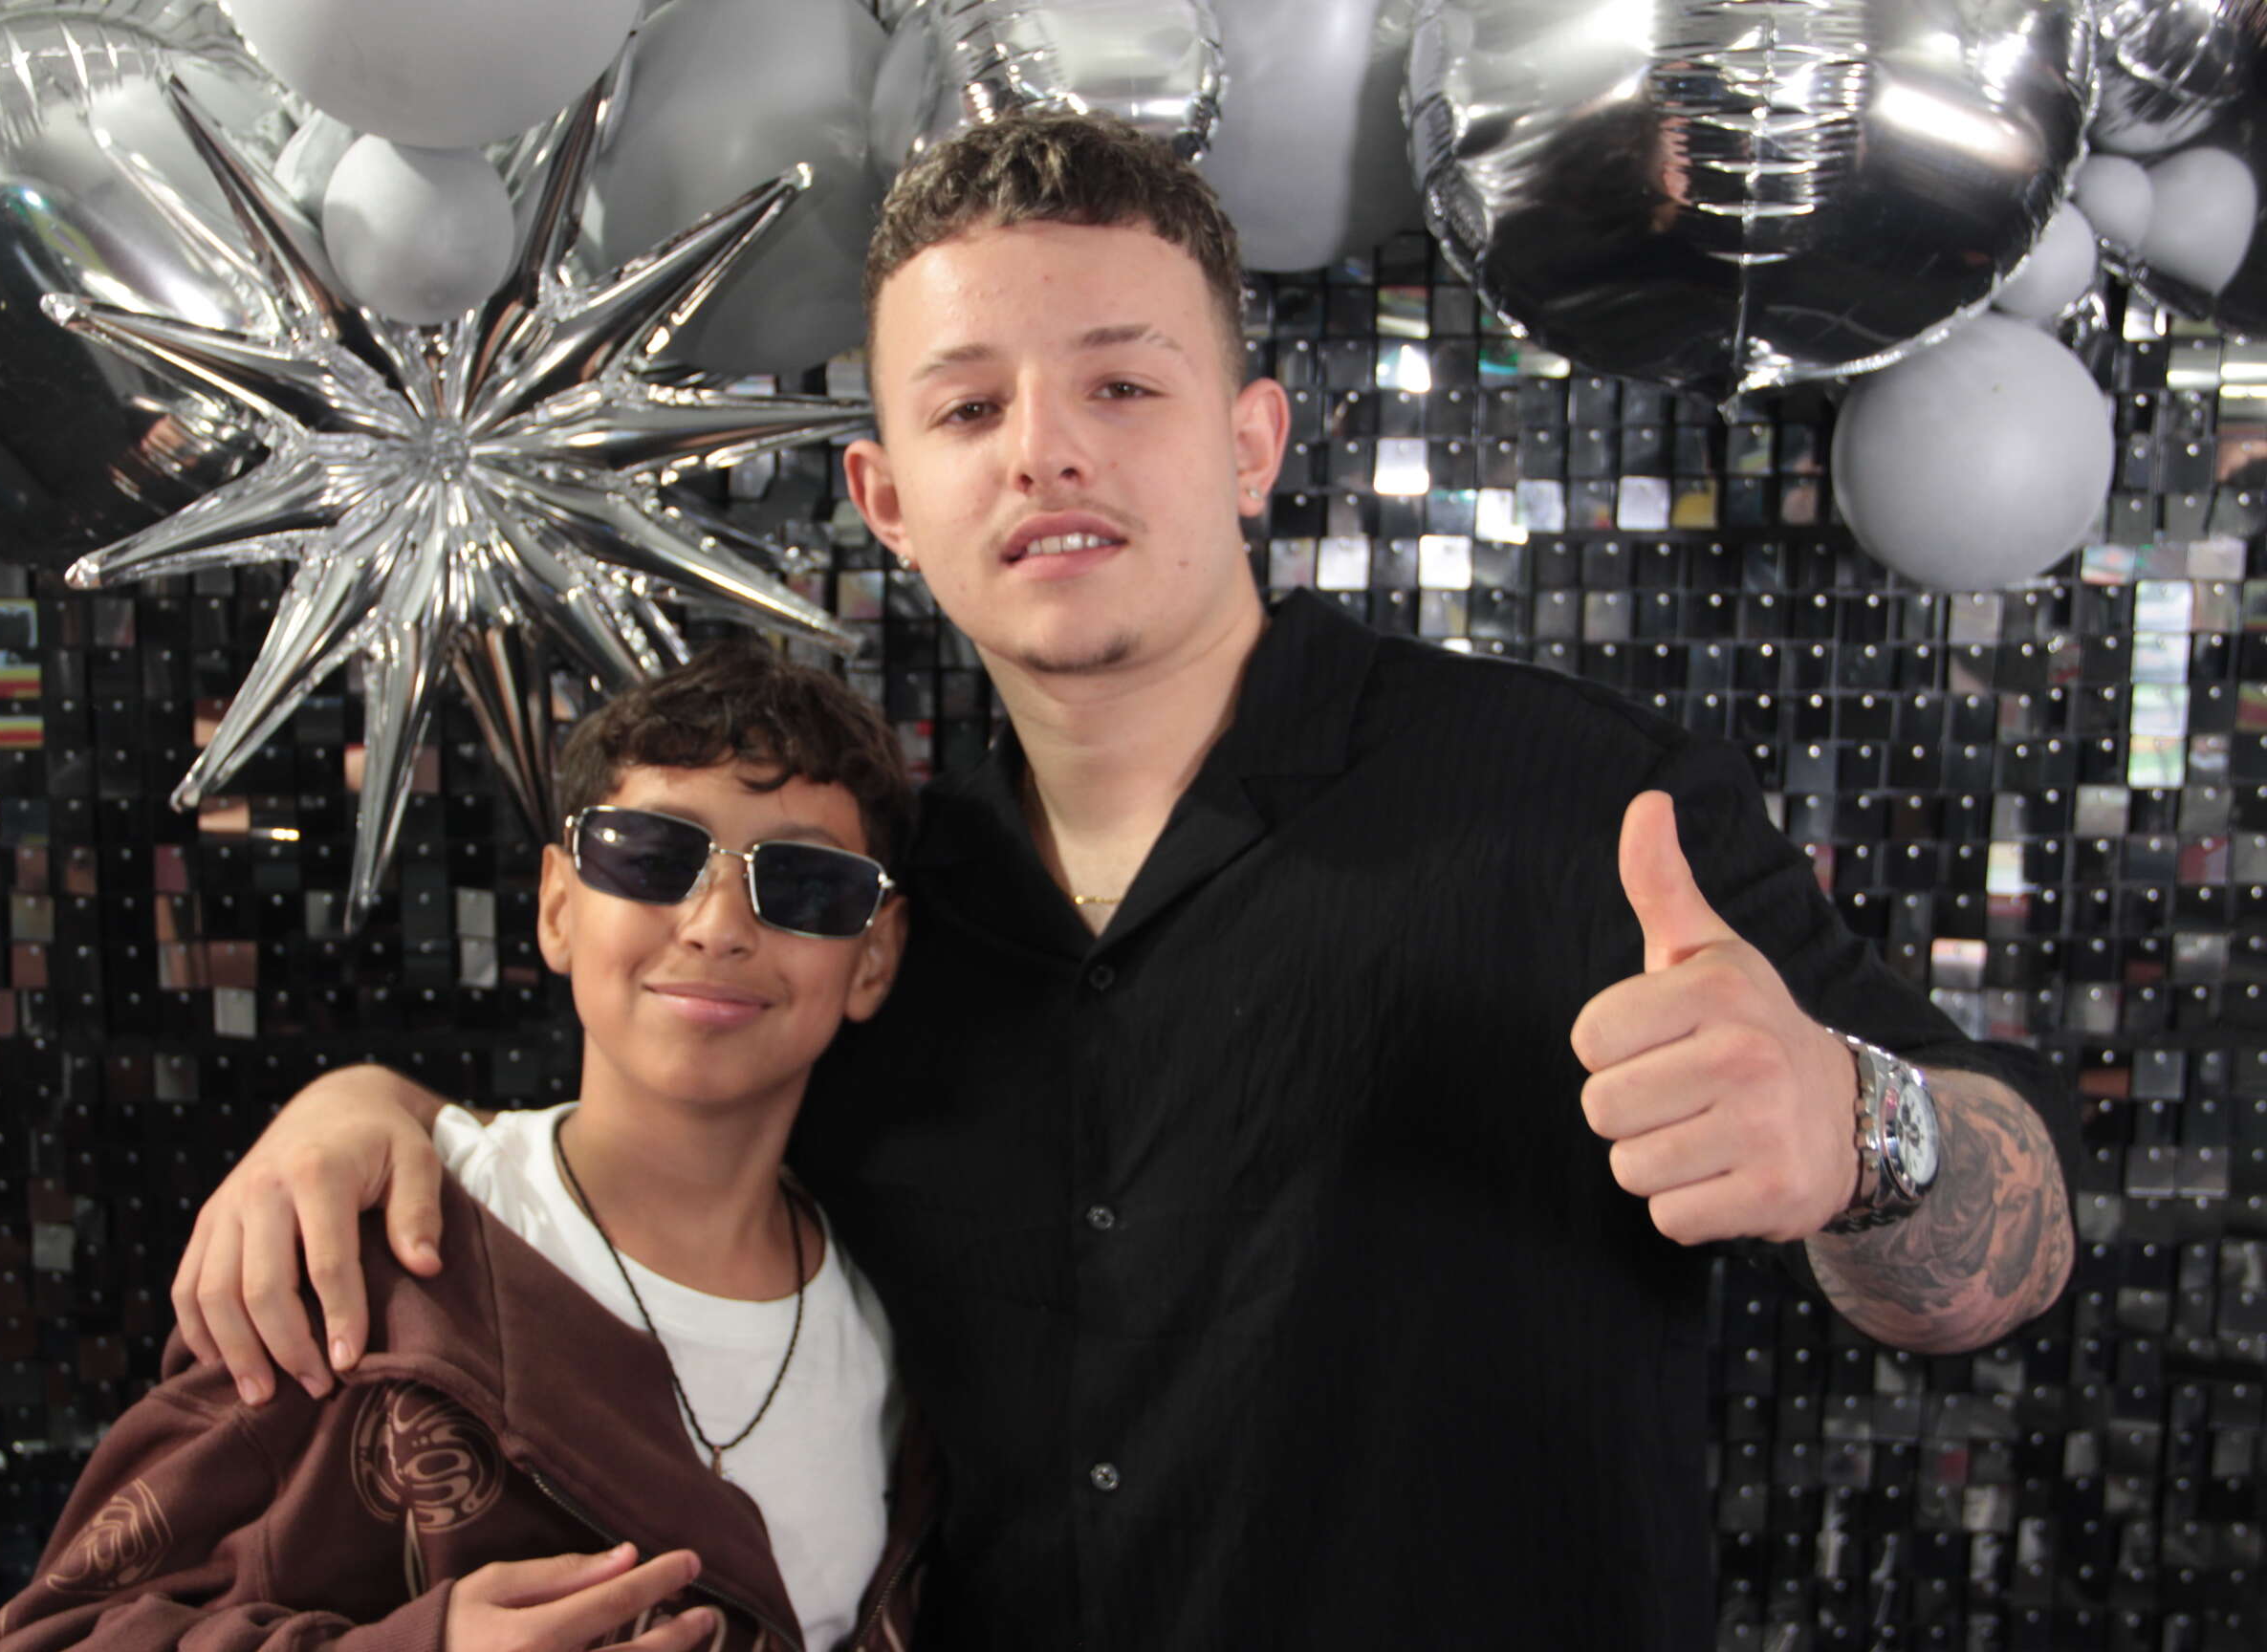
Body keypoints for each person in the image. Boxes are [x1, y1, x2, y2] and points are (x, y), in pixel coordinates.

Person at [167, 114, 2076, 1649]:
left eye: (1122, 387)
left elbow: (2019, 1241)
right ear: (889, 502)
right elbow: (644, 1138)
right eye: (968, 406)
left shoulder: (1581, 803)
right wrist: (375, 1110)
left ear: (1251, 444)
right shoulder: (867, 911)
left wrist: (1864, 1129)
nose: (1047, 453)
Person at [0, 643, 929, 1652]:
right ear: (559, 906)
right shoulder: (361, 1256)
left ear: (874, 956)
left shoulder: (910, 1331)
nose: (716, 926)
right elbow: (48, 1633)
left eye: (807, 884)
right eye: (651, 856)